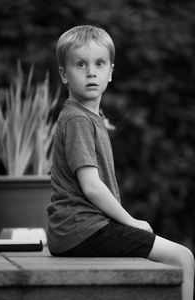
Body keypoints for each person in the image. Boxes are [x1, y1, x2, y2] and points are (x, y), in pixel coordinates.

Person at [46, 25, 194, 299]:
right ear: (64, 74)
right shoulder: (78, 119)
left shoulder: (87, 117)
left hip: (76, 230)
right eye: (81, 64)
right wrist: (130, 221)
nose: (91, 71)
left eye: (99, 63)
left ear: (110, 71)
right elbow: (91, 187)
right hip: (83, 230)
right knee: (182, 257)